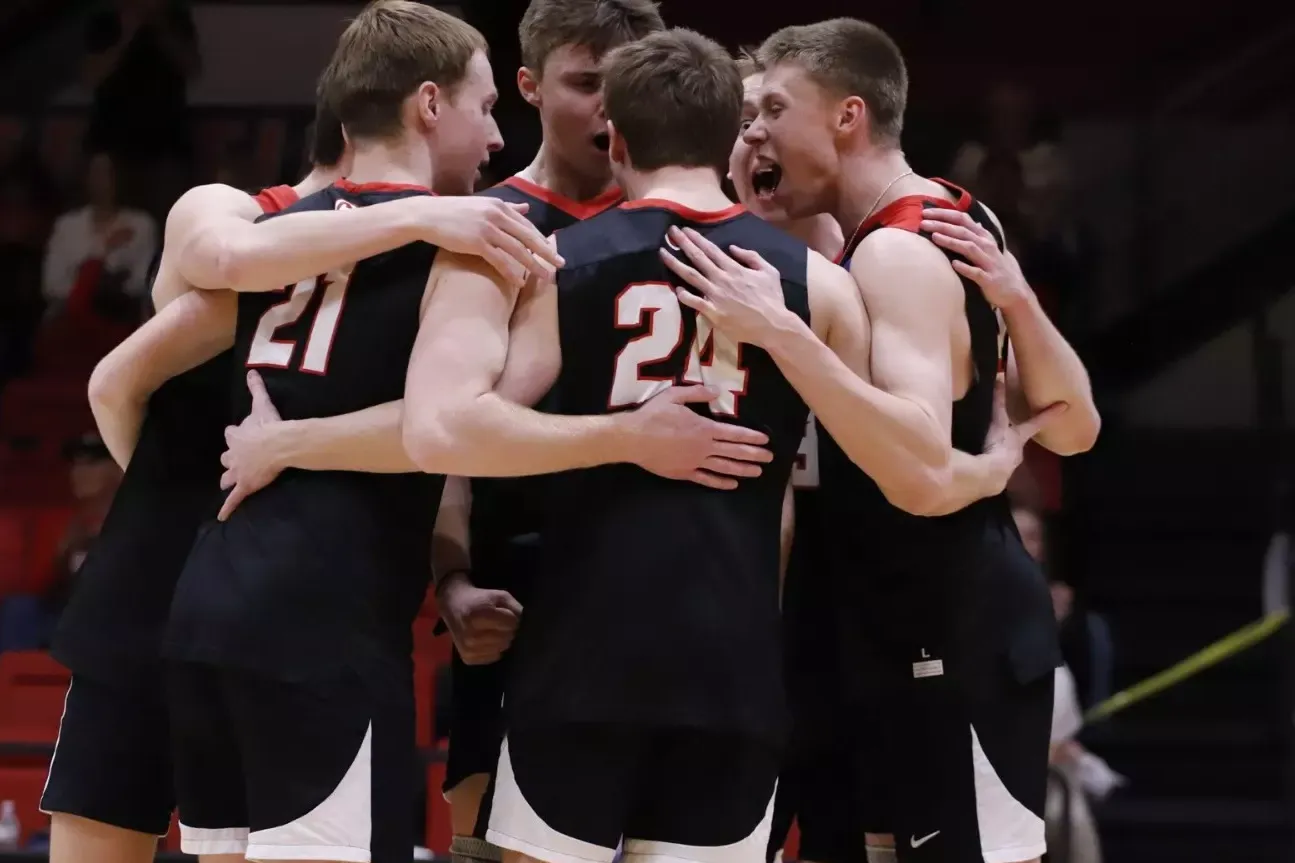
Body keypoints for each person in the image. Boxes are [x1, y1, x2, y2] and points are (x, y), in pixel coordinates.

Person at [662, 17, 1101, 863]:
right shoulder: (901, 228)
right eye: (743, 117)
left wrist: (786, 336)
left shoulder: (898, 250)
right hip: (867, 615)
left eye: (771, 110)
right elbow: (1071, 425)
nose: (752, 132)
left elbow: (923, 468)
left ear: (845, 116)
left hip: (941, 615)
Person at [437, 3, 664, 859]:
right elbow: (443, 434)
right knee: (485, 836)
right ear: (526, 85)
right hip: (517, 579)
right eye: (585, 84)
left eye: (628, 84)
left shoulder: (692, 225)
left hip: (661, 586)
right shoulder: (477, 224)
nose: (610, 107)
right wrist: (452, 579)